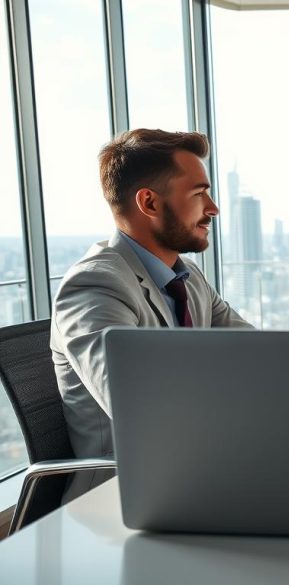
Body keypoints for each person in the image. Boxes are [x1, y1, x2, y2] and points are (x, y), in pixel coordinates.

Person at [51, 129, 252, 458]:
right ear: (150, 202)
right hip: (124, 488)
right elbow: (138, 407)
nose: (213, 208)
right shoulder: (93, 286)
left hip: (203, 459)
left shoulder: (187, 276)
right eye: (199, 194)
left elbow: (256, 353)